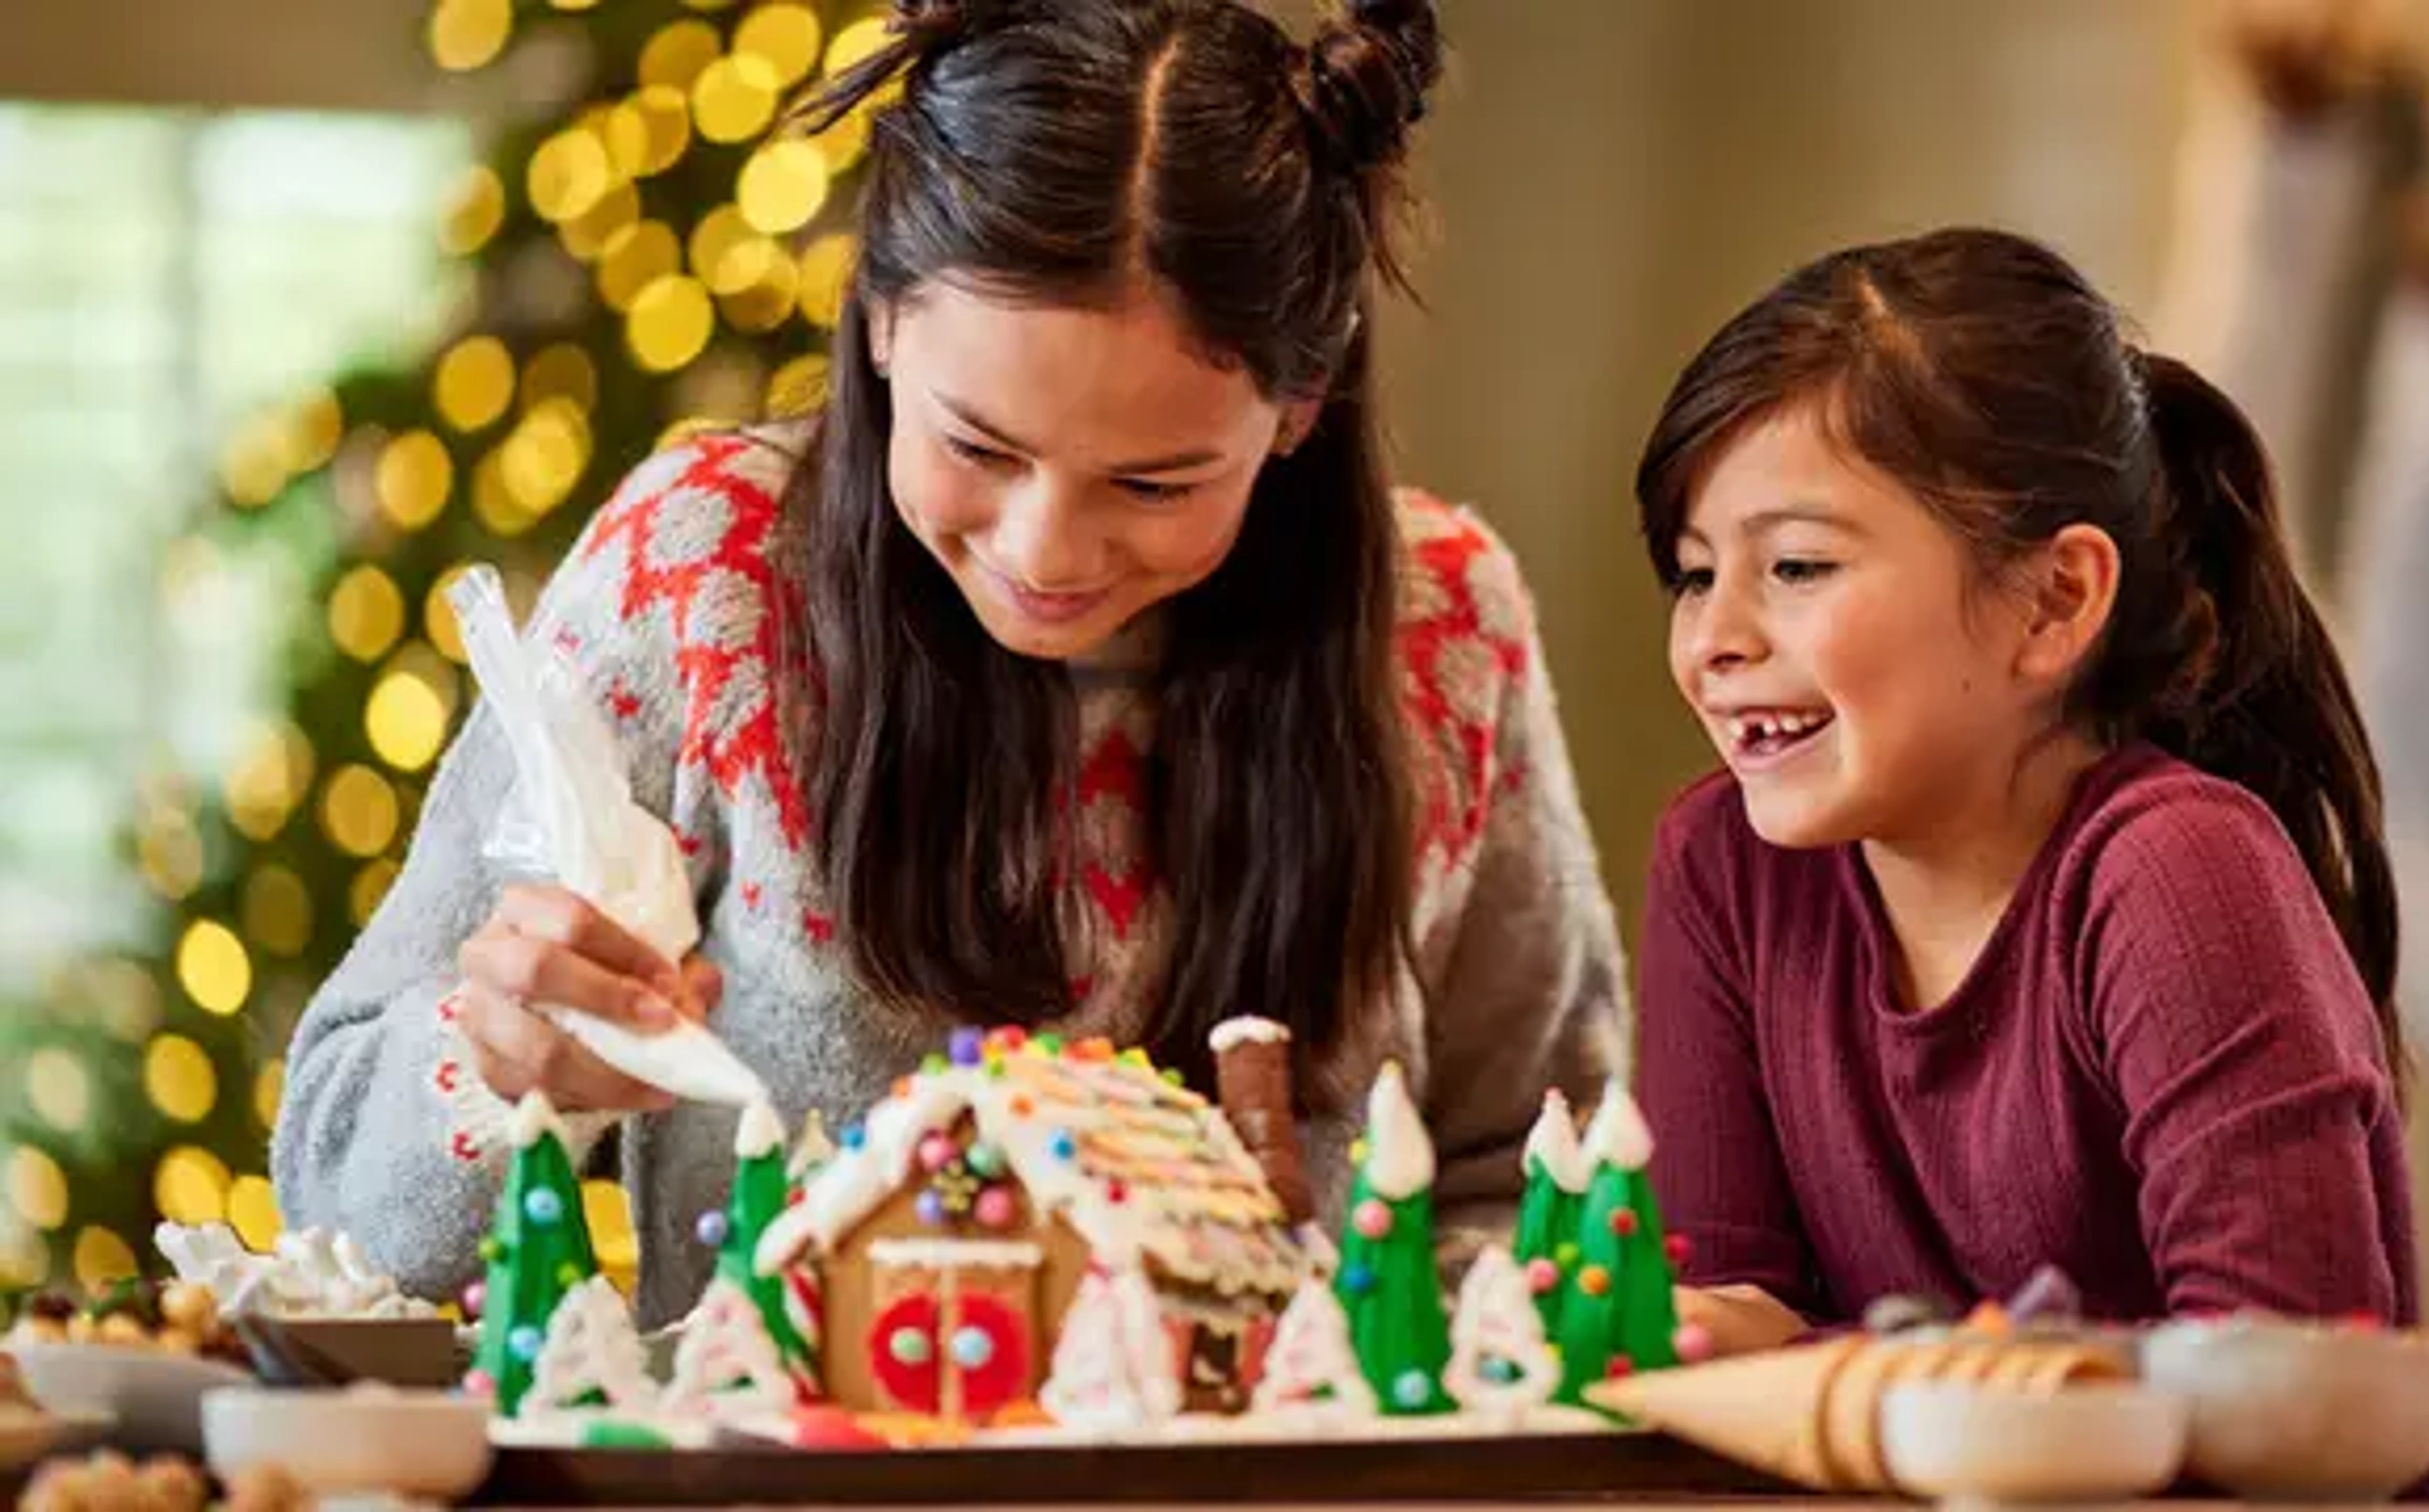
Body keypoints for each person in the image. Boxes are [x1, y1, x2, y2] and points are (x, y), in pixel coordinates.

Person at [273, 0, 1625, 1324]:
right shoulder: (703, 578)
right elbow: (338, 1216)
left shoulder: (1445, 627)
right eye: (977, 447)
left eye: (1156, 484)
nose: (1048, 549)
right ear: (877, 323)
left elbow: (1534, 1178)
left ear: (1296, 411)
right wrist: (493, 1056)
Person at [1633, 227, 2429, 1358]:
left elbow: (2281, 1394)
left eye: (1797, 565)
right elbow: (1716, 1327)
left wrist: (1828, 1370)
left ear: (2055, 601)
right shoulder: (1723, 866)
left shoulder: (2176, 872)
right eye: (1694, 573)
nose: (1714, 638)